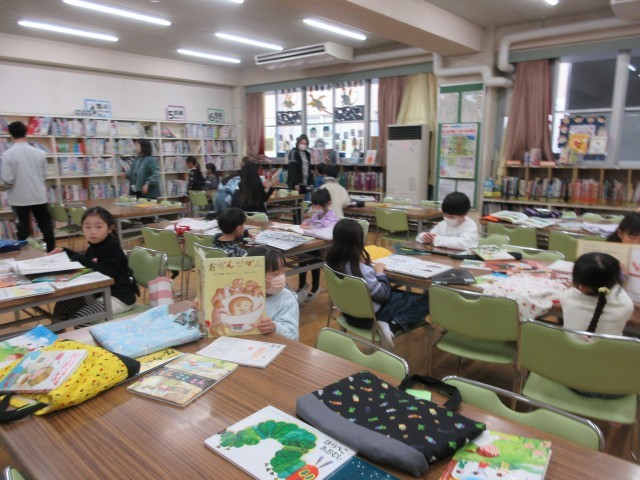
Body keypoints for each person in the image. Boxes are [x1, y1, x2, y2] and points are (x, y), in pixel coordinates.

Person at [326, 218, 430, 349]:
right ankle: (393, 326)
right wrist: (379, 272)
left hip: (348, 314)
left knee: (404, 295)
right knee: (427, 301)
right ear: (359, 241)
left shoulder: (330, 264)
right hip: (371, 318)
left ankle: (391, 322)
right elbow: (384, 295)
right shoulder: (361, 270)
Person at [49, 207, 138, 320]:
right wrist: (66, 252)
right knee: (62, 306)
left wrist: (80, 259)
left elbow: (106, 274)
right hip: (99, 293)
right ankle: (55, 332)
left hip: (119, 297)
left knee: (82, 317)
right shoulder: (94, 246)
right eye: (88, 227)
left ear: (110, 229)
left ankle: (84, 333)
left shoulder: (112, 247)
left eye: (99, 227)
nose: (93, 232)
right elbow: (88, 263)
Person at [0, 121, 55, 251]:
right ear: (26, 132)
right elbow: (44, 175)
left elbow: (7, 179)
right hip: (38, 196)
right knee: (46, 225)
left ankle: (24, 255)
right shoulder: (39, 153)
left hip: (19, 199)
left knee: (23, 228)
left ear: (10, 134)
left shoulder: (7, 155)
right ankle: (52, 251)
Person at [560, 252, 633, 336]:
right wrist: (620, 276)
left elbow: (573, 290)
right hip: (609, 345)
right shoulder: (626, 305)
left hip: (568, 343)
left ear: (582, 287)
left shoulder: (566, 297)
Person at [246, 245, 299, 340]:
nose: (281, 277)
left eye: (282, 271)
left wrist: (275, 327)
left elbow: (293, 334)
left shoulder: (287, 299)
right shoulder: (242, 294)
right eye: (275, 273)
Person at [296, 189, 339, 303]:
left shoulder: (331, 216)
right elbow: (311, 221)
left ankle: (315, 285)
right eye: (314, 205)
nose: (316, 207)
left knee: (311, 257)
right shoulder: (317, 214)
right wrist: (306, 222)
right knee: (302, 256)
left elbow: (326, 227)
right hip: (314, 244)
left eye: (319, 205)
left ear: (328, 203)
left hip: (325, 249)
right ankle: (302, 284)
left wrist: (312, 226)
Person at [288, 134, 314, 222]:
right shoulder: (293, 153)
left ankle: (301, 222)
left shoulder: (307, 154)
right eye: (302, 143)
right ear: (298, 143)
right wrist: (296, 183)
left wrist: (311, 183)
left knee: (302, 204)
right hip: (295, 184)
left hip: (304, 183)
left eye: (305, 143)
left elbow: (309, 169)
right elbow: (292, 168)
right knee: (296, 205)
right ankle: (296, 223)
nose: (303, 145)